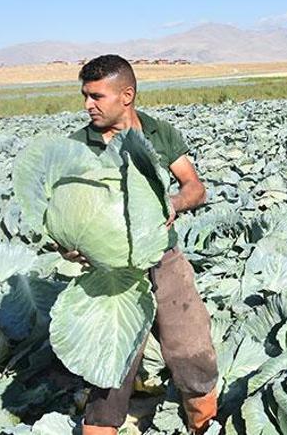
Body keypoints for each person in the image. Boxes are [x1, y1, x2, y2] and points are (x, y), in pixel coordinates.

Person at [61, 55, 218, 435]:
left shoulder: (159, 133)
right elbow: (63, 218)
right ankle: (100, 428)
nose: (87, 105)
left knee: (190, 348)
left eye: (96, 96)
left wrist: (172, 204)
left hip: (164, 256)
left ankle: (204, 422)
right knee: (112, 361)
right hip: (111, 270)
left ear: (126, 95)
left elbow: (194, 187)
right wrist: (68, 246)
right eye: (85, 95)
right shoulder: (77, 147)